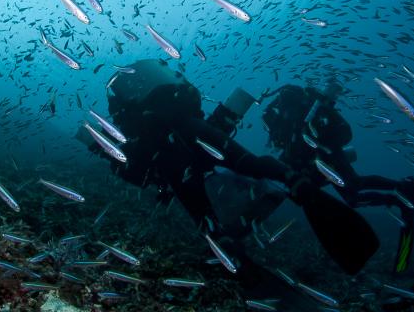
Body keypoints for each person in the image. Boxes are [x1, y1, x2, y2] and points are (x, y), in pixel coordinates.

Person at [81, 59, 380, 277]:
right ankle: (295, 182)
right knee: (250, 163)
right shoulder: (172, 103)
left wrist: (108, 150)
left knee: (202, 211)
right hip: (198, 130)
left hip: (170, 154)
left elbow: (136, 167)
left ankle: (225, 246)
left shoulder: (134, 116)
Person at [259, 81, 414, 273]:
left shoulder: (295, 116)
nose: (278, 110)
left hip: (327, 158)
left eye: (280, 105)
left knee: (354, 191)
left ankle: (403, 190)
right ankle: (401, 193)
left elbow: (310, 141)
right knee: (355, 190)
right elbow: (289, 147)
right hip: (320, 163)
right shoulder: (287, 121)